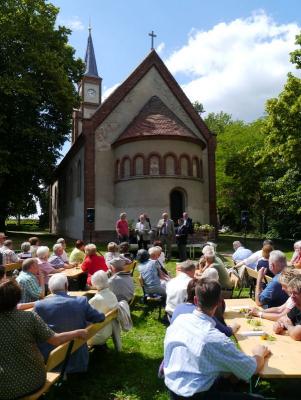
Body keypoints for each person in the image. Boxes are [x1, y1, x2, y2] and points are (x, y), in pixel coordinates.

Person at [164, 278, 270, 399]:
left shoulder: (179, 321)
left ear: (195, 300)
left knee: (231, 373)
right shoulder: (216, 339)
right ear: (219, 303)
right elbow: (252, 368)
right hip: (196, 394)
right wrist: (259, 354)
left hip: (174, 388)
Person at [0, 279, 88, 400]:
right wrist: (77, 332)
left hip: (4, 389)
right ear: (17, 297)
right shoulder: (29, 317)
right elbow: (55, 340)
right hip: (35, 380)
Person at [34, 274, 104, 373]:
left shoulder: (39, 306)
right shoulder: (81, 301)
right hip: (77, 360)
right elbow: (100, 317)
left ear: (49, 289)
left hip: (50, 359)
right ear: (66, 286)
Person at [171, 274, 240, 337]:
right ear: (196, 300)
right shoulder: (203, 315)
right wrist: (235, 325)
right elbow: (227, 332)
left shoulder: (178, 307)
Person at [88, 270, 119, 346]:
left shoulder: (95, 300)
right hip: (108, 330)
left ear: (94, 284)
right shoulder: (112, 294)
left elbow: (85, 317)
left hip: (96, 335)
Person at [273, 275, 301, 340]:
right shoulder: (297, 306)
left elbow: (297, 335)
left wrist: (288, 326)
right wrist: (279, 326)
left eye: (295, 293)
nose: (292, 296)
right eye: (291, 293)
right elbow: (283, 318)